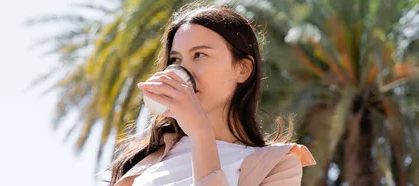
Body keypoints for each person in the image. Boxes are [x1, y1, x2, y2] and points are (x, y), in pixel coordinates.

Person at [108, 3, 316, 186]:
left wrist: (201, 134)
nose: (183, 70)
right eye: (175, 60)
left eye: (200, 55)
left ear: (242, 69)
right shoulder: (144, 159)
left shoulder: (276, 164)